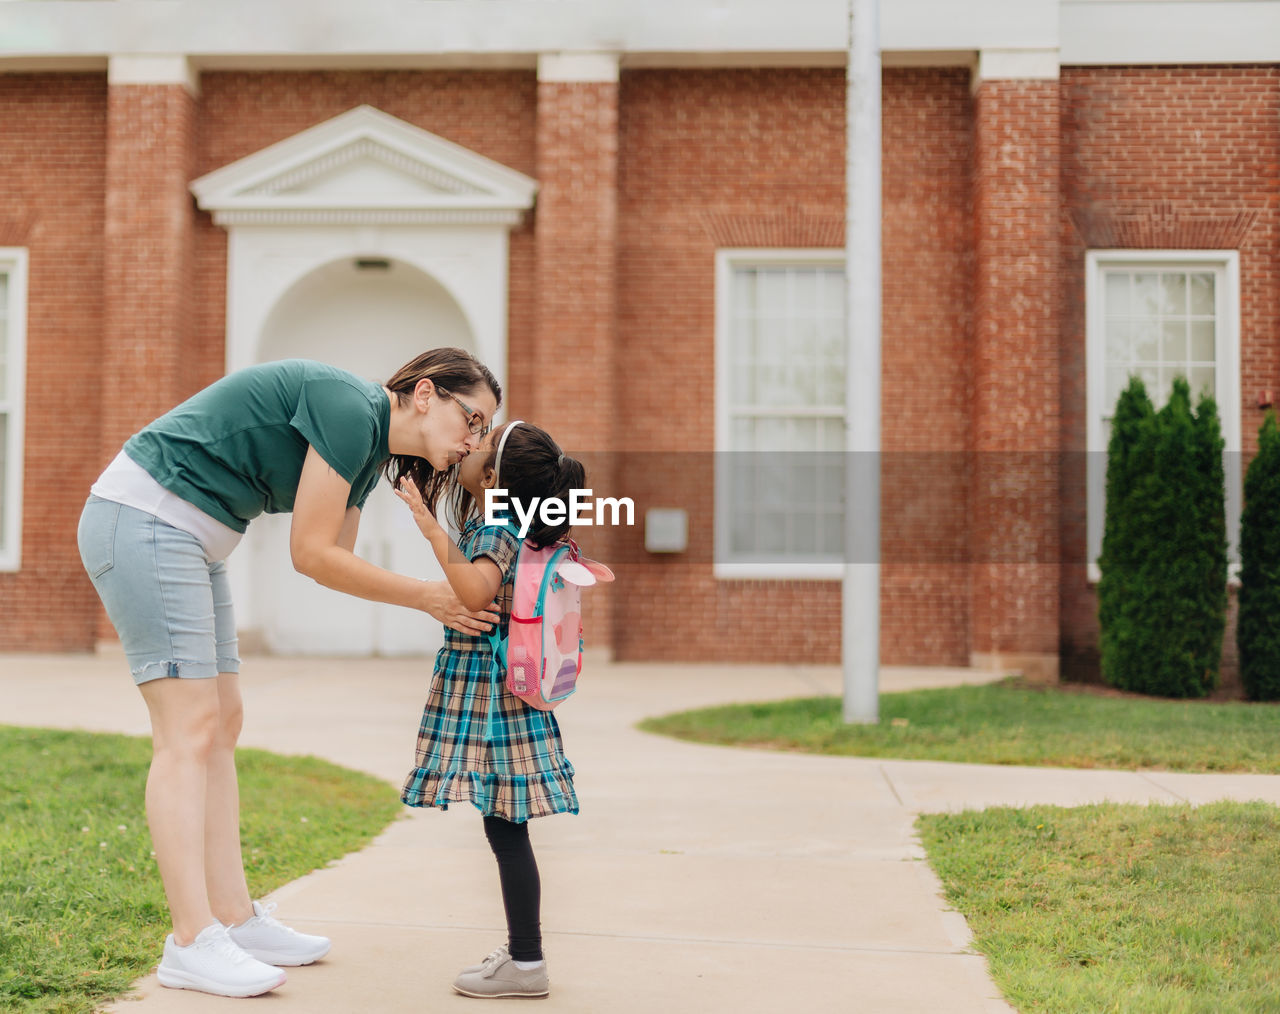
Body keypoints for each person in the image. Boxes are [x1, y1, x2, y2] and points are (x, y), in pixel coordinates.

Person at [76, 348, 502, 998]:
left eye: (484, 434)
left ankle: (235, 920)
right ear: (424, 395)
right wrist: (428, 596)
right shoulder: (350, 409)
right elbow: (310, 552)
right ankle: (191, 941)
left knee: (222, 723)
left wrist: (437, 586)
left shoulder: (369, 450)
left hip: (190, 536)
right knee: (188, 731)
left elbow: (335, 560)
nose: (473, 442)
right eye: (471, 420)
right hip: (146, 520)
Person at [394, 420, 585, 1000]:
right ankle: (523, 955)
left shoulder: (499, 525)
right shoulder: (512, 524)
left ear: (496, 478)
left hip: (493, 694)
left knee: (506, 827)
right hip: (508, 687)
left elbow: (476, 590)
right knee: (505, 824)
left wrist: (430, 529)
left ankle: (526, 961)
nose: (469, 447)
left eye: (481, 445)